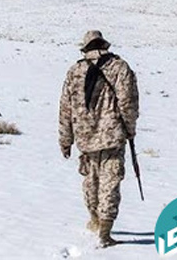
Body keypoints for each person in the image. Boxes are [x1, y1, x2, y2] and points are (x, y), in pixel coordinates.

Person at [59, 30, 139, 248]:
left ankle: (95, 220)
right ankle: (105, 230)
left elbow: (65, 108)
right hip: (112, 136)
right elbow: (128, 103)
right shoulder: (119, 68)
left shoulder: (75, 71)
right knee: (110, 182)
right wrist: (130, 129)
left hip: (85, 137)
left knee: (90, 182)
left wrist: (65, 140)